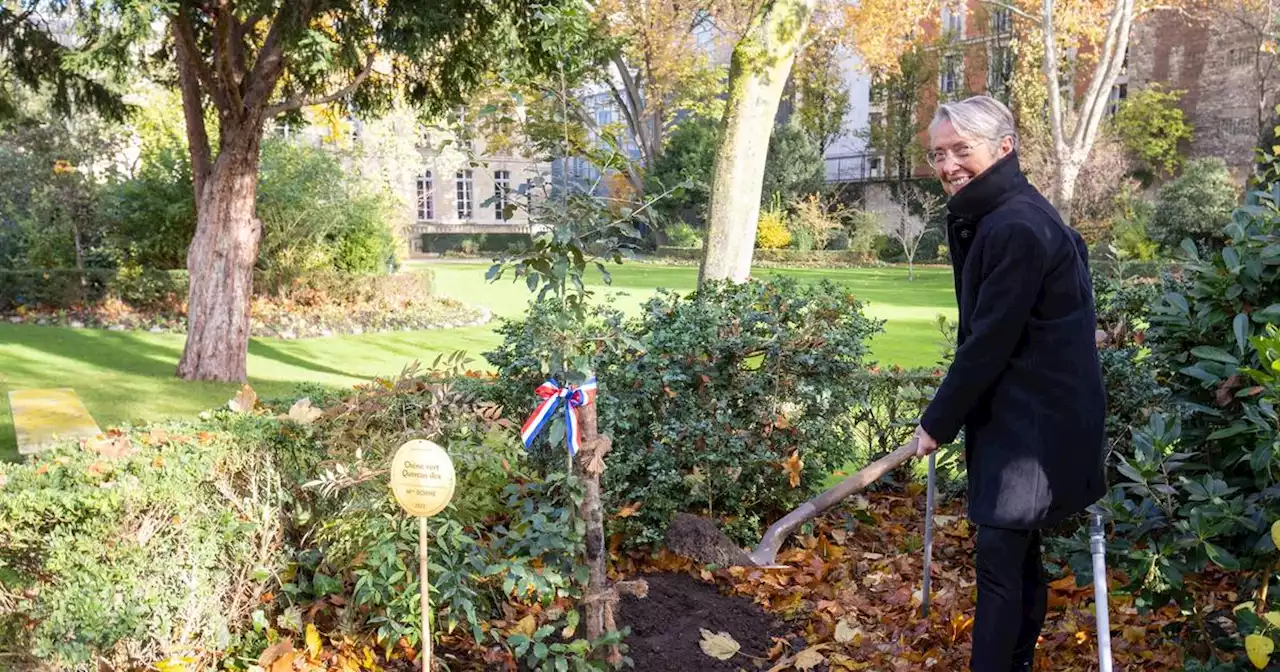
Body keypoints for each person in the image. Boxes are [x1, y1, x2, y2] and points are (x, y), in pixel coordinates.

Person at [912, 95, 1107, 672]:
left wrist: (936, 422)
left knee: (1000, 564)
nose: (948, 166)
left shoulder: (1016, 224)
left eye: (961, 150)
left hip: (1033, 427)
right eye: (938, 153)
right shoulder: (1002, 213)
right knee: (1018, 558)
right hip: (1024, 412)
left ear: (1004, 147)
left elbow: (988, 341)